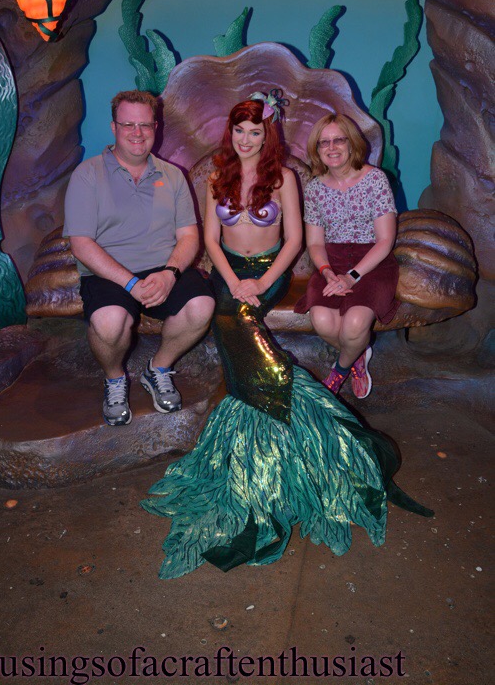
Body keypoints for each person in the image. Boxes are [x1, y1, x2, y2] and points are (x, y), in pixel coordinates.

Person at [141, 93, 432, 579]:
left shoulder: (285, 178)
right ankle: (287, 431)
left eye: (255, 131)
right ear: (230, 133)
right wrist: (232, 281)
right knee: (230, 319)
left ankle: (289, 435)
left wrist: (260, 282)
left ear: (267, 134)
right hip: (229, 274)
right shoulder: (217, 176)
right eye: (239, 130)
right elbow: (210, 238)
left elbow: (295, 239)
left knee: (240, 322)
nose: (246, 139)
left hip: (268, 272)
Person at [63, 90, 215, 425]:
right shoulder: (87, 175)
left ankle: (158, 368)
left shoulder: (173, 175)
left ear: (155, 128)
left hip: (163, 268)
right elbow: (82, 244)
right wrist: (130, 283)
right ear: (114, 127)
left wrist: (171, 273)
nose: (137, 132)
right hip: (108, 272)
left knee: (202, 306)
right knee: (109, 322)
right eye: (128, 124)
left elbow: (189, 237)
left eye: (145, 125)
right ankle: (115, 378)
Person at [294, 113, 400, 398]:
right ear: (317, 150)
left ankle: (340, 370)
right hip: (332, 261)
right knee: (322, 321)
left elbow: (385, 240)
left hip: (372, 262)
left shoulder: (375, 180)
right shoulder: (315, 189)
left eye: (338, 140)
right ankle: (358, 353)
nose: (332, 147)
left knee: (353, 325)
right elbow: (315, 243)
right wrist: (327, 272)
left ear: (352, 143)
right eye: (324, 142)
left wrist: (352, 277)